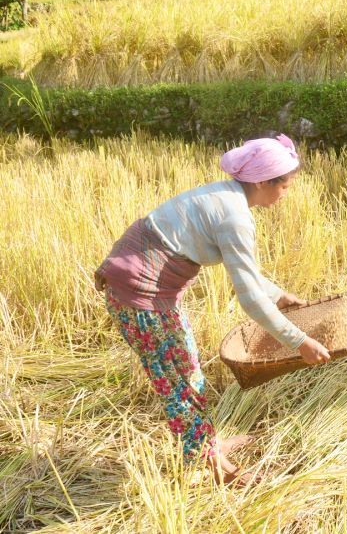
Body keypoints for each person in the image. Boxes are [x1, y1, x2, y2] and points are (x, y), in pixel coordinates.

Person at [94, 133, 331, 486]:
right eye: (285, 187)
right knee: (180, 381)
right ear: (264, 181)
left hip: (142, 284)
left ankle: (208, 444)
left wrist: (278, 294)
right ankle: (213, 464)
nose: (286, 194)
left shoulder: (224, 196)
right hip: (140, 296)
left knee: (187, 373)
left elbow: (244, 273)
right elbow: (248, 297)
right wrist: (298, 341)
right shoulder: (234, 217)